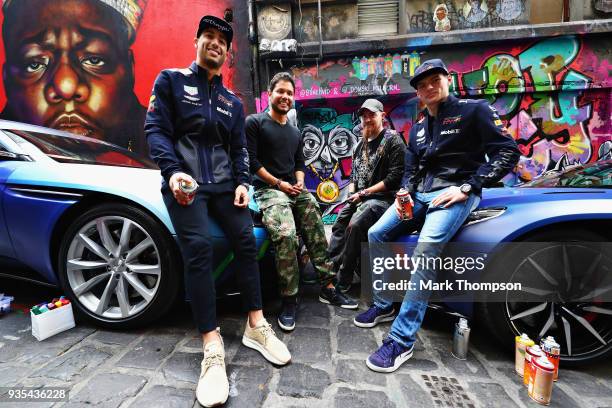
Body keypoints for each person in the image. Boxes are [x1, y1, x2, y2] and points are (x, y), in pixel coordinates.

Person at [145, 15, 290, 407]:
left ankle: (256, 325)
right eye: (208, 36)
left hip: (227, 187)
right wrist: (173, 173)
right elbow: (156, 130)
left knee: (246, 243)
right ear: (196, 42)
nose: (215, 43)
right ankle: (212, 345)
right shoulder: (171, 81)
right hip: (186, 185)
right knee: (199, 251)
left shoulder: (232, 102)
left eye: (221, 40)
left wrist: (243, 183)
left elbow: (239, 149)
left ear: (227, 52)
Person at [356, 59, 520, 372]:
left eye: (435, 80)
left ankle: (401, 341)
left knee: (426, 247)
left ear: (448, 79)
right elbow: (410, 169)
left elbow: (508, 151)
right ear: (417, 92)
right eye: (422, 84)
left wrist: (469, 187)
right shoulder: (417, 128)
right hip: (418, 196)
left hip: (455, 194)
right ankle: (383, 303)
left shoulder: (475, 110)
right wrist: (405, 191)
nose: (429, 87)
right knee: (376, 233)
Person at [246, 72, 358, 332]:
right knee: (285, 234)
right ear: (270, 93)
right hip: (268, 190)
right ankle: (289, 297)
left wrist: (298, 183)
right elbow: (253, 163)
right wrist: (278, 184)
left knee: (316, 223)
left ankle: (328, 286)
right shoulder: (255, 123)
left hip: (291, 189)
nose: (285, 97)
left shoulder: (295, 133)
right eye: (280, 91)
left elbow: (299, 165)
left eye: (289, 93)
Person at [1, 0, 148, 156]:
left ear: (129, 69)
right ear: (7, 80)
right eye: (34, 64)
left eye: (94, 60)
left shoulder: (166, 140)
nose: (66, 87)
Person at [328, 99, 406, 293]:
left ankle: (344, 279)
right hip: (361, 198)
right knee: (340, 222)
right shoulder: (359, 145)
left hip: (385, 200)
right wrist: (353, 194)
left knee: (355, 224)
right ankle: (330, 270)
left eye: (372, 114)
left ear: (382, 116)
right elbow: (354, 177)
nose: (368, 119)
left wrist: (365, 193)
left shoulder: (393, 140)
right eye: (364, 115)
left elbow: (394, 179)